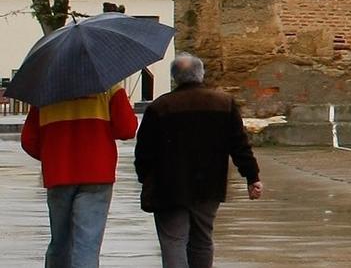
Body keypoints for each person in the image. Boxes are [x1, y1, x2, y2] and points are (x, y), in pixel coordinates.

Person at [134, 53, 263, 268]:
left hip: (169, 186)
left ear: (175, 77)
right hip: (209, 184)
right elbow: (240, 145)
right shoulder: (224, 103)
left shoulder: (159, 107)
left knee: (173, 242)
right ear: (201, 74)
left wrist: (146, 178)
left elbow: (144, 152)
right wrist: (252, 177)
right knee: (202, 240)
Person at [21, 84, 139, 268]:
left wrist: (52, 156)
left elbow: (29, 140)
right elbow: (127, 130)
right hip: (97, 173)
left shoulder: (45, 91)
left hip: (58, 173)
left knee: (60, 241)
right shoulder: (109, 88)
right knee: (87, 243)